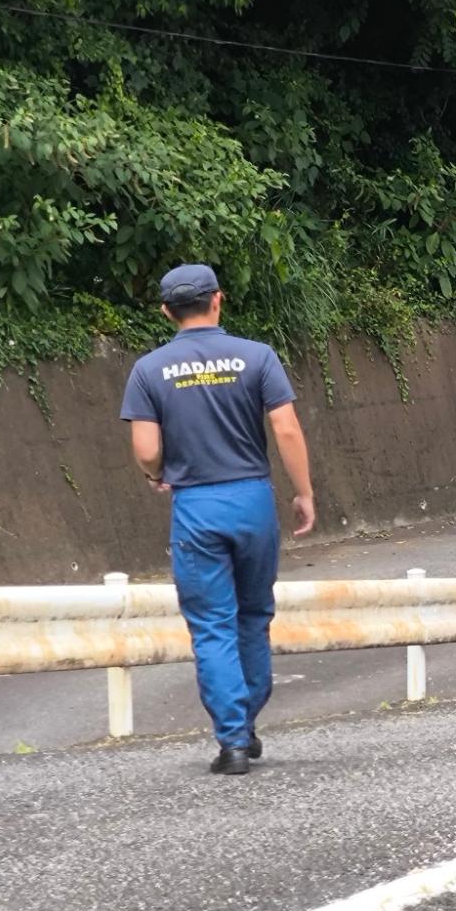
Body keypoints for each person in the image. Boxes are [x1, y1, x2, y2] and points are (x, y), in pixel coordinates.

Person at [120, 265, 316, 774]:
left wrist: (157, 474)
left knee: (212, 624)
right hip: (252, 499)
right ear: (218, 300)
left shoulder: (149, 369)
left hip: (196, 506)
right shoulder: (258, 356)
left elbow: (146, 449)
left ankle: (232, 742)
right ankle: (246, 726)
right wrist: (303, 492)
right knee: (254, 615)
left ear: (167, 311)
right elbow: (286, 428)